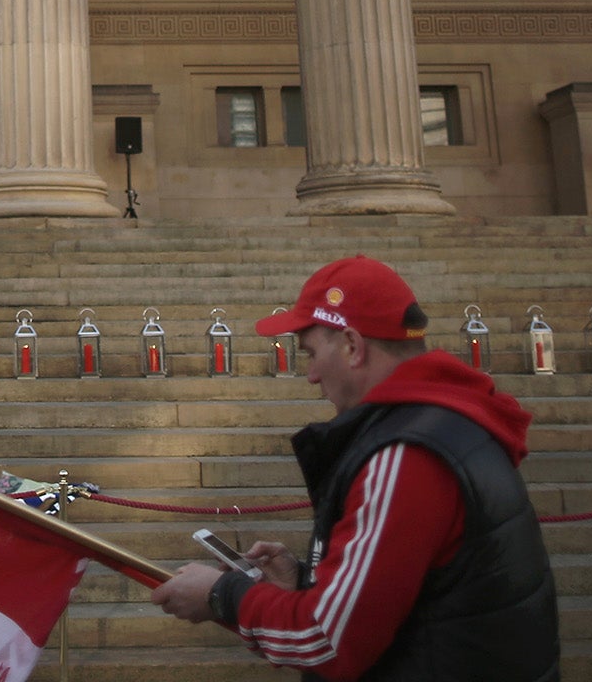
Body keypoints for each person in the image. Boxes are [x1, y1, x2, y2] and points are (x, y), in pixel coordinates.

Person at [152, 255, 559, 681]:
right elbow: (420, 594)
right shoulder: (447, 425)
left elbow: (328, 639)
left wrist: (222, 594)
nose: (310, 375)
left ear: (351, 345)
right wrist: (304, 582)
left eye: (310, 353)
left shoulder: (405, 455)